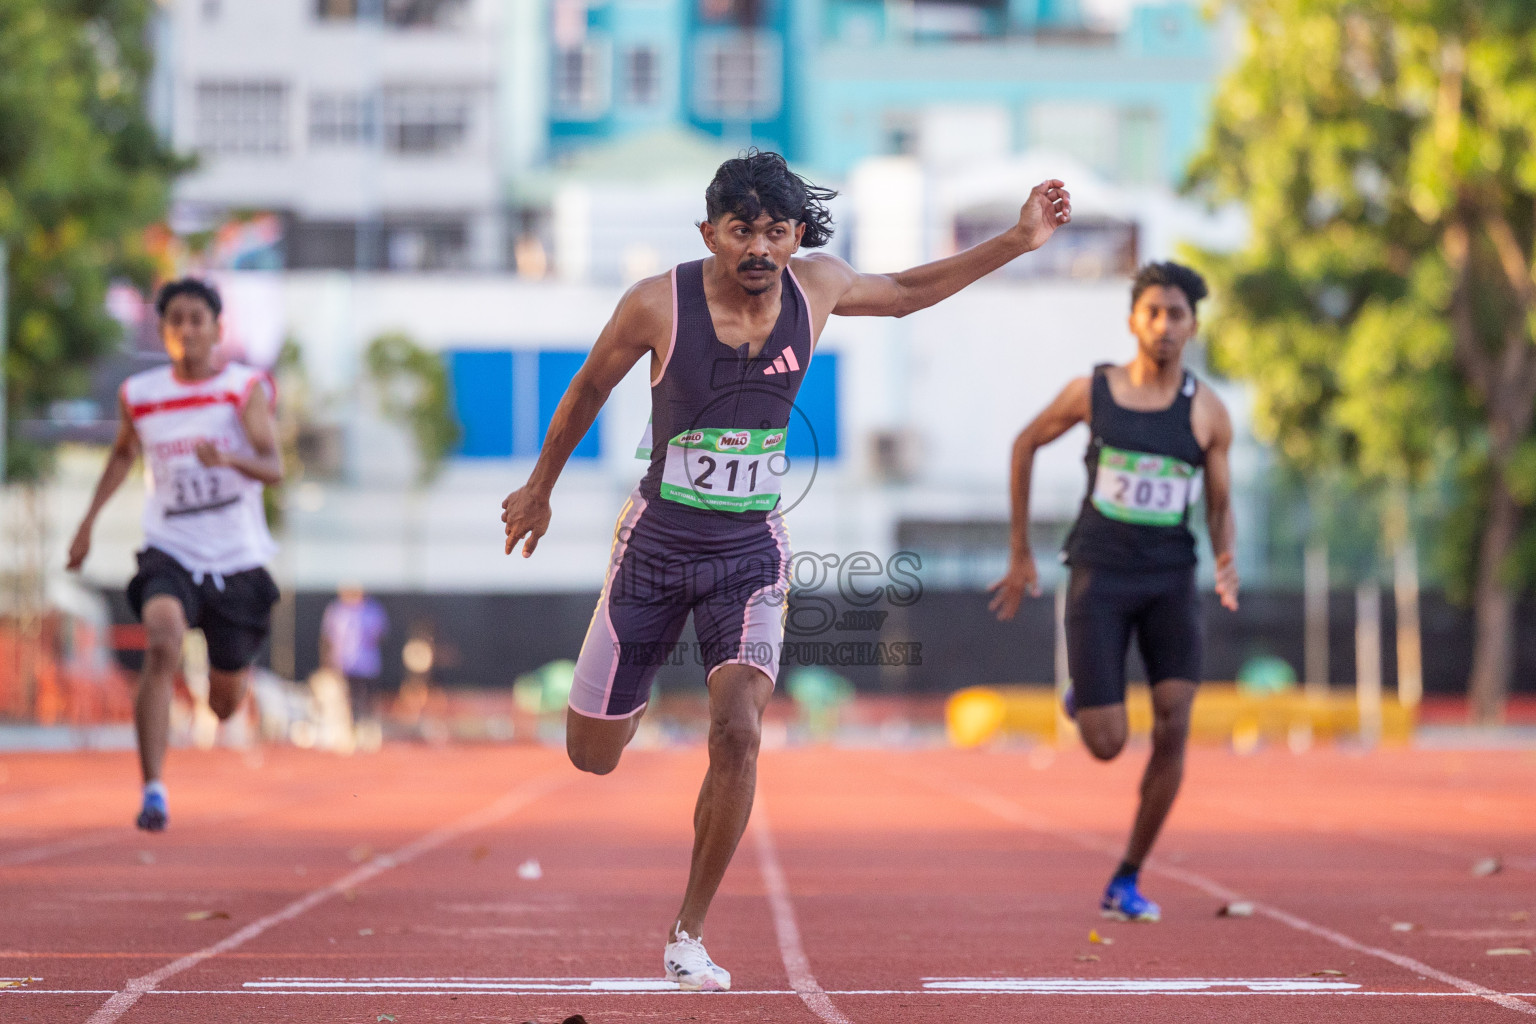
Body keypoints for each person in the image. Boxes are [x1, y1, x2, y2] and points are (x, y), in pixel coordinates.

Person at [501, 150, 1072, 990]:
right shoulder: (656, 303)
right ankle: (635, 682)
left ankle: (687, 934)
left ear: (796, 233)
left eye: (776, 230)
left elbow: (910, 291)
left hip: (749, 551)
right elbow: (587, 388)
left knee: (739, 730)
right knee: (592, 754)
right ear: (711, 234)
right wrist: (539, 489)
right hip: (656, 547)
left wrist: (1018, 241)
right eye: (743, 232)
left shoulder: (820, 287)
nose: (761, 248)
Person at [989, 261, 1239, 922]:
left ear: (1192, 325)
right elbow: (1023, 443)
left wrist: (1227, 557)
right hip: (1100, 574)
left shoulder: (1208, 411)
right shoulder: (1092, 392)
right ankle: (1086, 697)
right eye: (1152, 312)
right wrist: (1020, 550)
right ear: (1134, 320)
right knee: (1107, 744)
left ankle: (1126, 877)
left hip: (1170, 579)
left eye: (1176, 314)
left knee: (1175, 724)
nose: (1163, 325)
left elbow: (1218, 505)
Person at [67, 277, 282, 831]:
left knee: (223, 705)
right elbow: (120, 457)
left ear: (218, 330)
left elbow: (273, 467)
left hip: (236, 558)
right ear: (163, 333)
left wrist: (228, 462)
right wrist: (87, 523)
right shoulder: (140, 394)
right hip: (171, 548)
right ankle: (154, 789)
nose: (187, 330)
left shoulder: (243, 388)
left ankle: (234, 677)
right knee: (161, 640)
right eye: (176, 321)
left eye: (197, 319)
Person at [320, 584, 390, 749]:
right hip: (343, 663)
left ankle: (368, 733)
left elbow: (381, 634)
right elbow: (327, 638)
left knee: (367, 699)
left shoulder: (372, 610)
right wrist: (328, 662)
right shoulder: (336, 610)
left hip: (367, 664)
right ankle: (350, 733)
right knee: (347, 700)